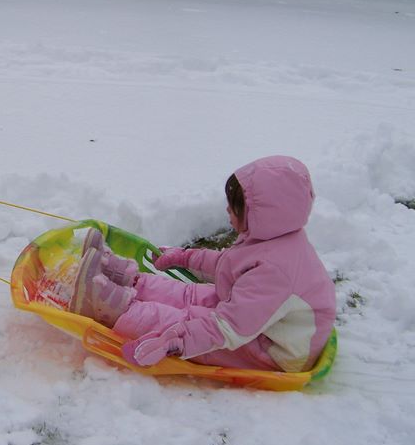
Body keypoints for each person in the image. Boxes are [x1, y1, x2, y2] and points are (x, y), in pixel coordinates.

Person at [69, 156, 336, 372]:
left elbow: (227, 327)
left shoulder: (275, 272)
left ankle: (113, 308)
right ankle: (128, 282)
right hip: (260, 321)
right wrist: (183, 257)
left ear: (262, 215)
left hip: (272, 351)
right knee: (192, 294)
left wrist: (175, 340)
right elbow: (227, 265)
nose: (227, 211)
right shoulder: (272, 237)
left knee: (187, 320)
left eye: (235, 207)